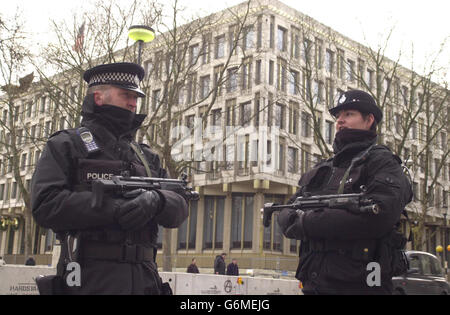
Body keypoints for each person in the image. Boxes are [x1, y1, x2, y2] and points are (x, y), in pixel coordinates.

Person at [31, 62, 188, 295]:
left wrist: (157, 200)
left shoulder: (145, 156)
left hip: (145, 278)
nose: (133, 103)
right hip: (91, 277)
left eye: (136, 97)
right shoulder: (66, 145)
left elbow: (181, 205)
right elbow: (45, 204)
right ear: (98, 97)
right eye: (126, 94)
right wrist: (115, 208)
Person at [278, 89, 412, 295]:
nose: (340, 121)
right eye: (338, 116)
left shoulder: (383, 163)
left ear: (369, 120)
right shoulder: (326, 168)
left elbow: (378, 216)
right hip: (314, 283)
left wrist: (306, 222)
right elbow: (287, 212)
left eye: (348, 114)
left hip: (361, 285)